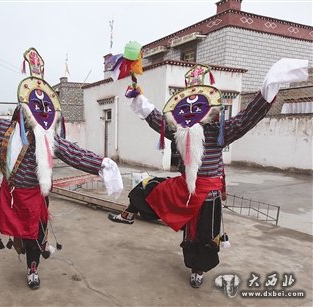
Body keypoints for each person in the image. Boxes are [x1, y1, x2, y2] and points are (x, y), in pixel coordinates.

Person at [108, 58, 308, 288]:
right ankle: (129, 213)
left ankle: (198, 269)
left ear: (208, 109)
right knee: (148, 187)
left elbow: (249, 117)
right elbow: (156, 119)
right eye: (186, 107)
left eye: (197, 106)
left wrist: (270, 86)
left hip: (209, 196)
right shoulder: (178, 131)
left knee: (201, 236)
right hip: (184, 188)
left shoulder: (220, 131)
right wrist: (138, 99)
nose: (191, 111)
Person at [0, 47, 123, 290]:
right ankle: (21, 247)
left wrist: (102, 164)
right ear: (22, 110)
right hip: (11, 194)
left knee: (35, 236)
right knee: (8, 228)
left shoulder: (49, 139)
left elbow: (74, 152)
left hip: (35, 197)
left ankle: (32, 268)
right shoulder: (2, 129)